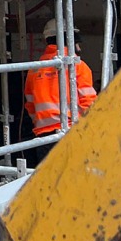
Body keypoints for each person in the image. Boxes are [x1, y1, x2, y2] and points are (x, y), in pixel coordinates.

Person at [22, 19, 97, 147]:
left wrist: (41, 122)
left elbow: (30, 104)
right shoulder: (77, 66)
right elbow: (88, 102)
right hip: (72, 131)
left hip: (44, 136)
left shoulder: (34, 69)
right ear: (70, 40)